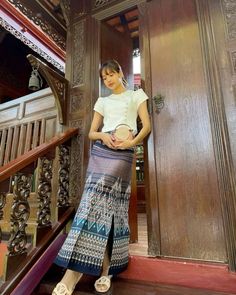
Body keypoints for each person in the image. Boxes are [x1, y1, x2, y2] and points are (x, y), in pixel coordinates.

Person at [52, 59, 151, 295]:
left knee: (109, 208)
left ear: (119, 73)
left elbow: (145, 126)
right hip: (101, 150)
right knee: (91, 205)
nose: (107, 80)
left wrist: (132, 143)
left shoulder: (136, 95)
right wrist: (103, 138)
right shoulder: (102, 101)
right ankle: (84, 272)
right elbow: (91, 133)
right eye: (103, 77)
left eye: (110, 75)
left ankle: (97, 270)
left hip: (123, 154)